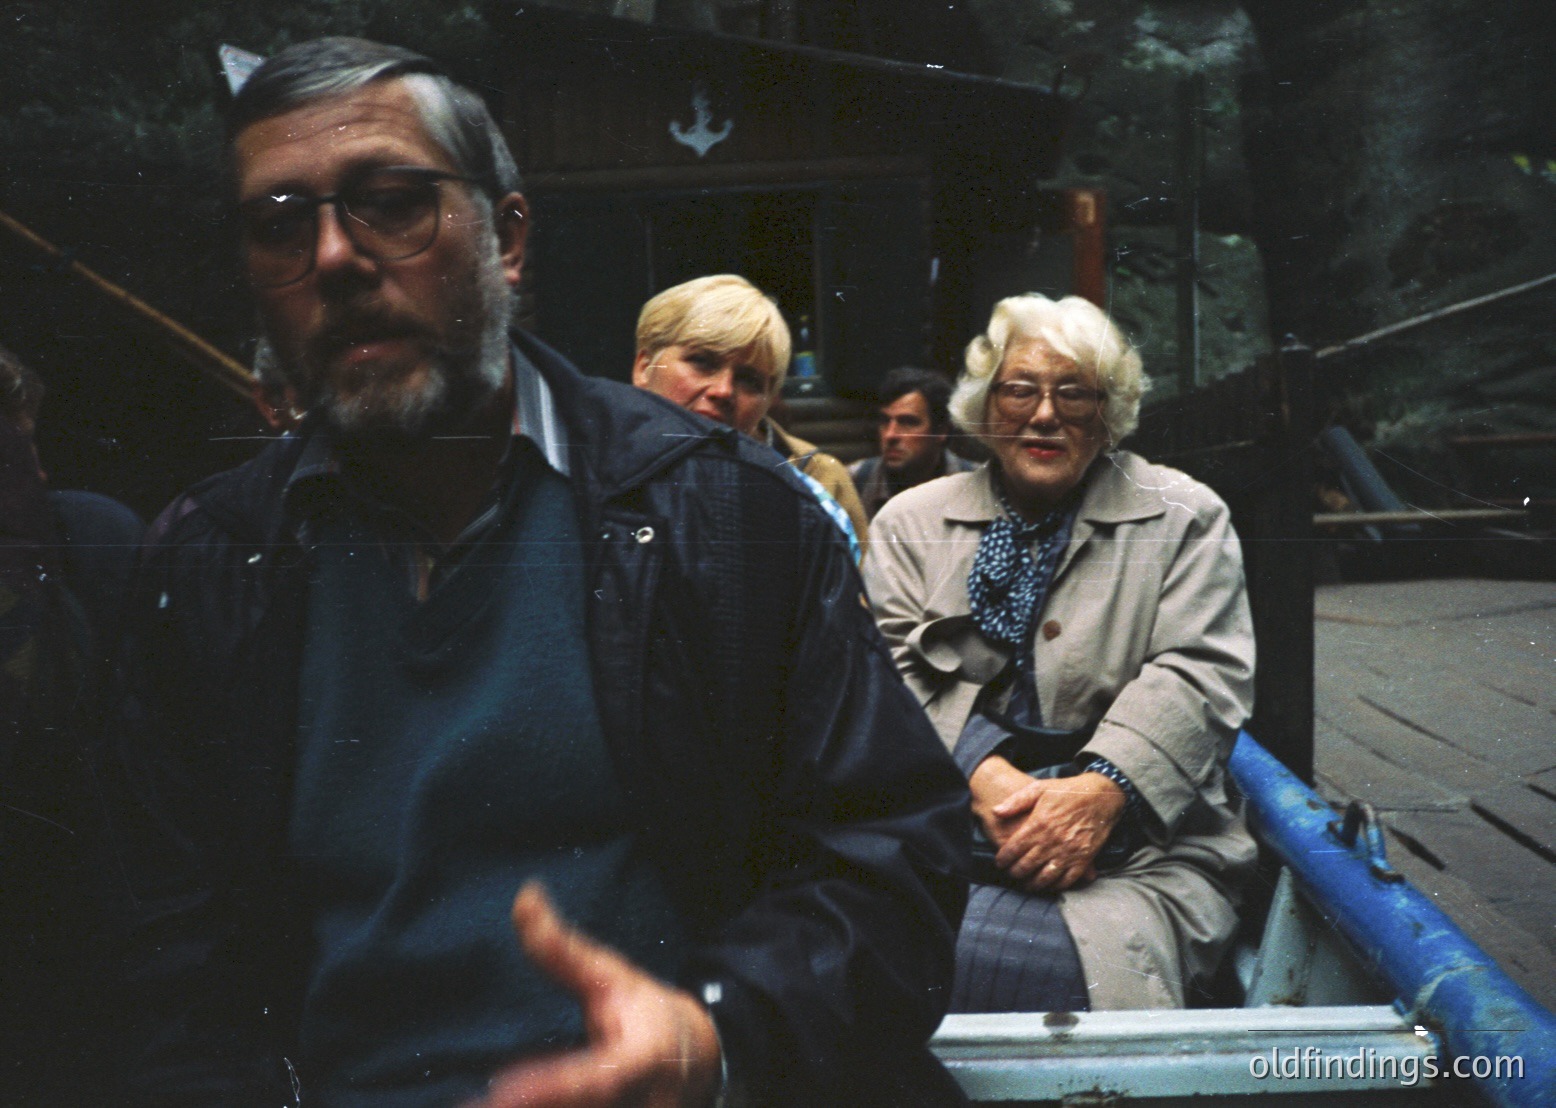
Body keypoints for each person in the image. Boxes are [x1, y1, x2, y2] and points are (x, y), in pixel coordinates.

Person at [98, 37, 969, 1108]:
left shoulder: (724, 517)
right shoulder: (204, 567)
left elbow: (895, 863)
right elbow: (165, 980)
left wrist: (719, 1029)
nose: (332, 255)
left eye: (391, 200)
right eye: (281, 224)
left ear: (507, 239)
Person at [863, 293, 1256, 1012]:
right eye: (1020, 389)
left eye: (1073, 392)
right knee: (856, 938)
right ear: (986, 406)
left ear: (1108, 413)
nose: (1044, 414)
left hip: (1139, 857)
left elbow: (1199, 672)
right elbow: (886, 669)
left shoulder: (1184, 516)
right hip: (943, 840)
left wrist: (1103, 789)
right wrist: (986, 777)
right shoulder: (908, 524)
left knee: (939, 963)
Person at [632, 274, 871, 550]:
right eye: (702, 362)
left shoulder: (818, 479)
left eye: (749, 380)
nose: (723, 390)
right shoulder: (596, 463)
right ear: (644, 367)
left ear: (770, 398)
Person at [849, 366, 975, 520]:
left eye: (908, 422)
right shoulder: (855, 481)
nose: (890, 435)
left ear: (941, 431)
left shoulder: (976, 484)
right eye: (885, 421)